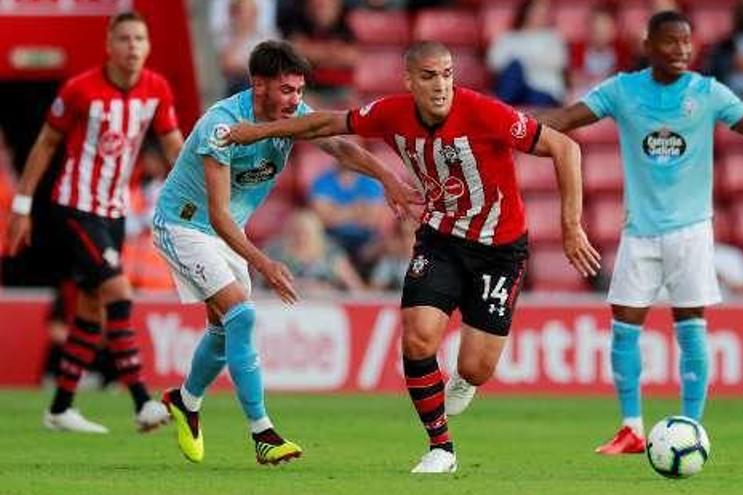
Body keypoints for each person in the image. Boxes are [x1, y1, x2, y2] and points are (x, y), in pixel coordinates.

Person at [225, 40, 601, 473]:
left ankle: (466, 379)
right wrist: (257, 131)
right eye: (428, 76)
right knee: (418, 335)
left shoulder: (484, 112)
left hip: (499, 251)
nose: (440, 86)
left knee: (477, 368)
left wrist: (571, 225)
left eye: (447, 75)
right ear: (409, 81)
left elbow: (566, 148)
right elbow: (322, 124)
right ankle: (441, 446)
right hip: (440, 238)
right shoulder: (390, 112)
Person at [538, 10, 743, 455]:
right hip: (639, 231)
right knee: (625, 327)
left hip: (690, 231)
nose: (682, 50)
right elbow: (567, 118)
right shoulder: (623, 90)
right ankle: (630, 428)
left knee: (691, 326)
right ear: (649, 46)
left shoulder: (707, 93)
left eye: (687, 42)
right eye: (671, 42)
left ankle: (691, 426)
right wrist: (508, 129)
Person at [152, 40, 418, 466]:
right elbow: (218, 215)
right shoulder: (221, 126)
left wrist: (387, 176)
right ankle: (263, 433)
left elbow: (340, 145)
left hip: (224, 232)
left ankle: (185, 401)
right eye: (287, 90)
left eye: (299, 91)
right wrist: (265, 264)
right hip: (184, 224)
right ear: (259, 85)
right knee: (243, 315)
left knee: (224, 333)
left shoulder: (293, 115)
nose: (296, 100)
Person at [5, 11, 184, 434]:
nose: (133, 46)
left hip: (115, 212)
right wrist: (23, 203)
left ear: (149, 45)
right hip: (75, 207)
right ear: (109, 45)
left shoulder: (156, 89)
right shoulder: (80, 89)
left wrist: (203, 191)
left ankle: (61, 407)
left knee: (92, 311)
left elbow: (174, 144)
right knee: (118, 293)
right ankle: (142, 401)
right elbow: (46, 143)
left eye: (140, 38)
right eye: (124, 39)